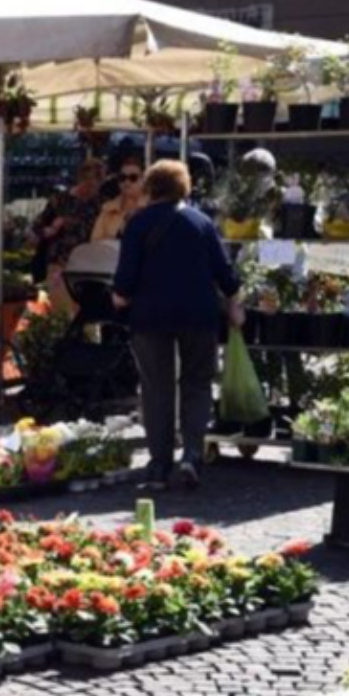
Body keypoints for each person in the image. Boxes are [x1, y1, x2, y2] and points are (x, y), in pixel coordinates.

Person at [110, 159, 241, 491]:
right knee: (197, 383)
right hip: (199, 314)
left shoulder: (138, 224)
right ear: (185, 187)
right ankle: (192, 455)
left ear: (150, 187)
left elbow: (124, 281)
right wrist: (234, 305)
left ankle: (158, 463)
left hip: (151, 316)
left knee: (156, 387)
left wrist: (120, 298)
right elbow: (225, 274)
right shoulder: (202, 223)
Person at [30, 159, 103, 284]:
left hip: (89, 264)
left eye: (96, 185)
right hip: (59, 263)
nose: (92, 189)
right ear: (81, 179)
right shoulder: (60, 201)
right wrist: (50, 230)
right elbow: (38, 226)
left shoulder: (100, 204)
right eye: (89, 184)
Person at [89, 154, 147, 242]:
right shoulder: (108, 209)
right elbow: (95, 242)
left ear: (143, 179)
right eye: (122, 177)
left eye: (133, 178)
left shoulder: (152, 208)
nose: (127, 182)